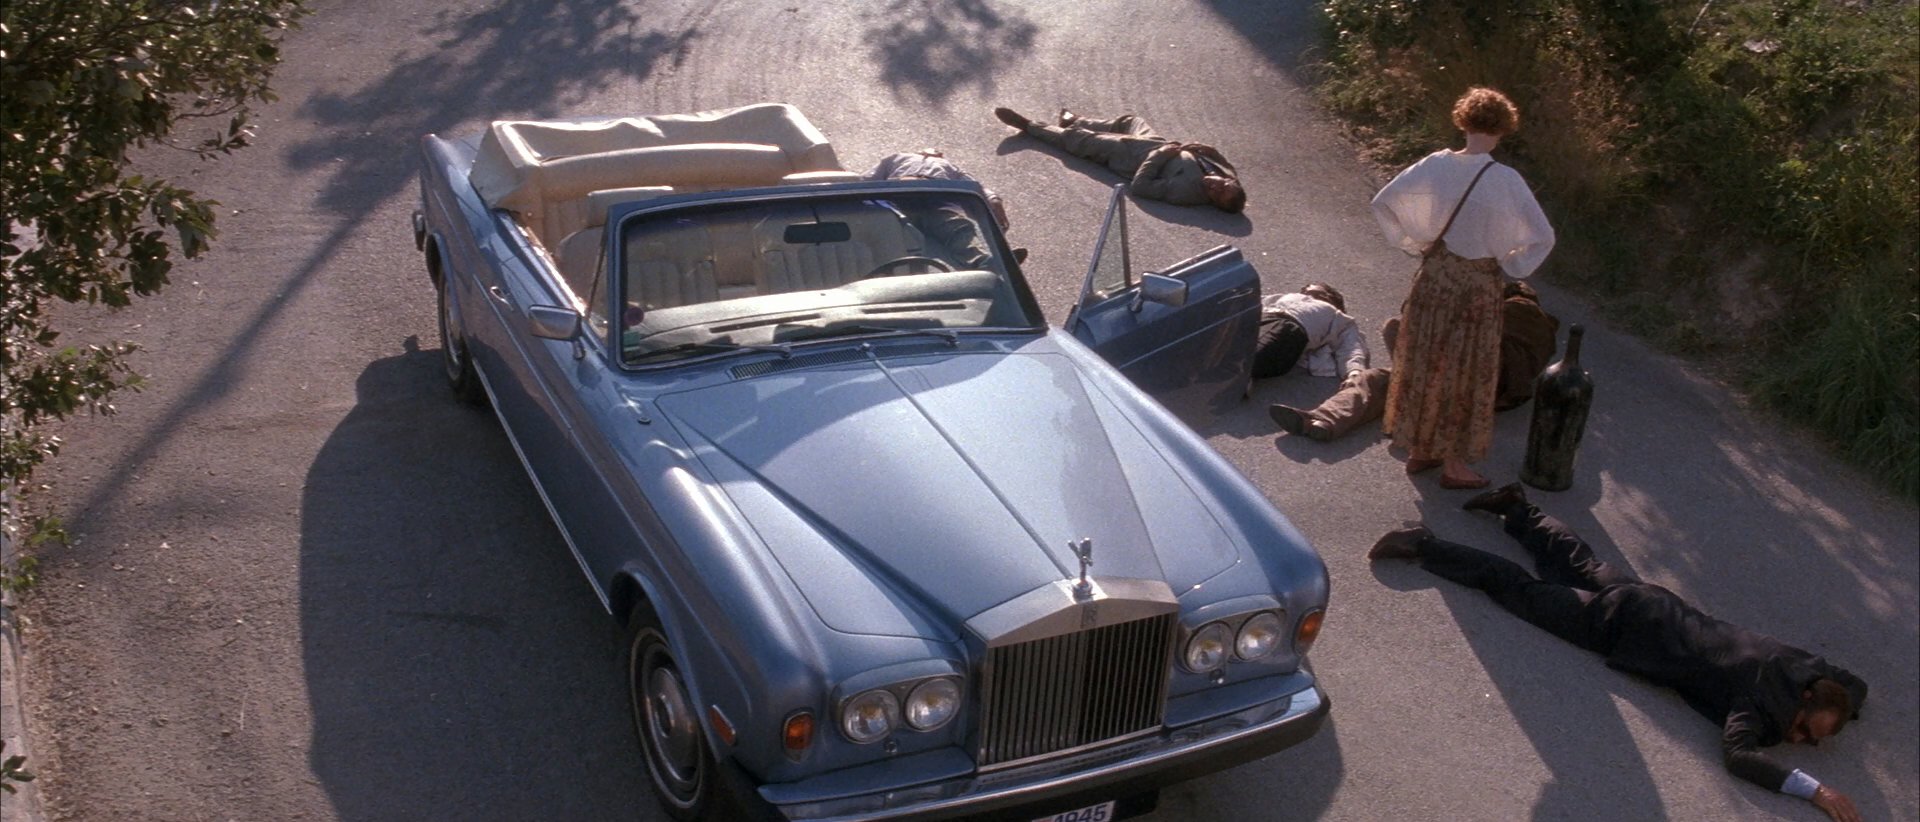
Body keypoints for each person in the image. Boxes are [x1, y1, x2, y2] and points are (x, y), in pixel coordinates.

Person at [1369, 484, 1867, 822]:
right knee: (1521, 592)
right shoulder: (1757, 706)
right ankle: (1424, 546)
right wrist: (1816, 791)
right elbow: (1739, 756)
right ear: (1803, 701)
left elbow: (1854, 685)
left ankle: (1517, 507)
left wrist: (1847, 708)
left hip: (1653, 602)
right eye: (1806, 732)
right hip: (1619, 629)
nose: (1801, 741)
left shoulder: (1801, 666)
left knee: (1579, 561)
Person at [1371, 87, 1555, 489]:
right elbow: (1543, 236)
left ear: (1463, 122)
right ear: (1502, 130)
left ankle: (1421, 449)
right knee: (1466, 371)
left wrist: (1416, 241)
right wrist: (1511, 263)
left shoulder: (1436, 164)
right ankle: (1454, 466)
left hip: (1435, 277)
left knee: (1425, 360)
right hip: (1477, 286)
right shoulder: (1506, 181)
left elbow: (1384, 202)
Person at [1269, 280, 1558, 442]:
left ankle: (1415, 408)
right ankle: (1322, 421)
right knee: (1376, 380)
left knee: (1395, 329)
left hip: (1475, 378)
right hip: (1461, 377)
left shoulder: (1522, 311)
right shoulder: (1532, 327)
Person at [991, 107, 1246, 213]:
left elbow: (1141, 187)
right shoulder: (1226, 173)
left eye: (1216, 195)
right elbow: (1223, 163)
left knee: (1082, 141)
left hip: (1133, 156)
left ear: (1213, 202)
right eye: (1223, 185)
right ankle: (1077, 120)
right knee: (1130, 121)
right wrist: (1208, 150)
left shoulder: (1186, 193)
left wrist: (1161, 155)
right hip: (1155, 140)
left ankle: (1030, 126)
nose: (1215, 186)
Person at [864, 150, 1019, 268]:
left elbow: (975, 186)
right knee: (887, 227)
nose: (935, 151)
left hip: (935, 203)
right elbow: (867, 179)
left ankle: (986, 262)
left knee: (958, 226)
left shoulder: (950, 167)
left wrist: (994, 200)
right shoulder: (897, 158)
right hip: (898, 199)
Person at [1253, 283, 1368, 380]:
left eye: (1310, 286)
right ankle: (1246, 375)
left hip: (1287, 327)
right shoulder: (1285, 297)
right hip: (1259, 318)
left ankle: (1247, 371)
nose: (1304, 288)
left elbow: (1351, 347)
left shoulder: (1338, 317)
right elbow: (1253, 302)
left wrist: (1354, 374)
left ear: (1327, 294)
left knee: (1251, 354)